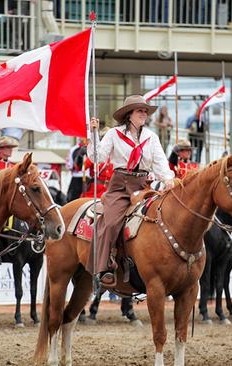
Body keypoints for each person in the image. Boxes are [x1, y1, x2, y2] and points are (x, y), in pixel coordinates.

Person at [87, 95, 175, 287]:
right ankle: (104, 267)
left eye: (145, 111)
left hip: (144, 186)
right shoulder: (113, 134)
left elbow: (160, 163)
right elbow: (97, 157)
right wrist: (93, 134)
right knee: (110, 223)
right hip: (119, 185)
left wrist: (168, 180)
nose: (144, 114)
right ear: (129, 115)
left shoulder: (151, 137)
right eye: (140, 111)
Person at [81, 128, 114, 199]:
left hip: (111, 190)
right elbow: (84, 167)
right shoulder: (96, 155)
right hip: (95, 190)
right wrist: (84, 155)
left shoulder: (116, 155)